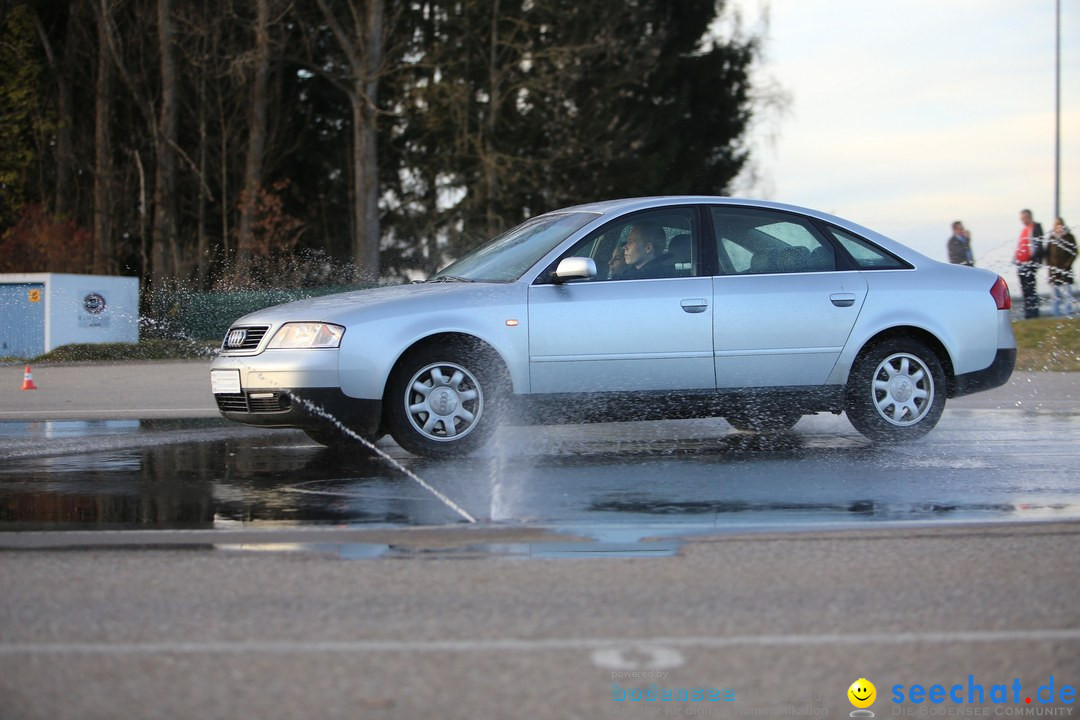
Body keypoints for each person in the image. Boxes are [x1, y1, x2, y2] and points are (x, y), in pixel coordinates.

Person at [1015, 209, 1044, 319]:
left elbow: (1038, 246)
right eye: (1021, 219)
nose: (1022, 220)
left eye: (1024, 218)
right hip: (1021, 264)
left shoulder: (1035, 228)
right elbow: (1020, 245)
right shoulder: (1024, 230)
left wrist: (1034, 261)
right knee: (1025, 289)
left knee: (1030, 288)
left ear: (1029, 217)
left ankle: (1033, 312)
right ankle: (1028, 312)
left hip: (1030, 263)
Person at [1046, 217, 1076, 316]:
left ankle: (1067, 312)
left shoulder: (1069, 237)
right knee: (1055, 295)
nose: (1058, 227)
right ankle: (1056, 313)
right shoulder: (1052, 238)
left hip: (1066, 269)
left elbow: (1074, 252)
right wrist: (1050, 266)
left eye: (1060, 225)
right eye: (1056, 225)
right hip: (1054, 271)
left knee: (1067, 293)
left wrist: (1068, 264)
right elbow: (1047, 254)